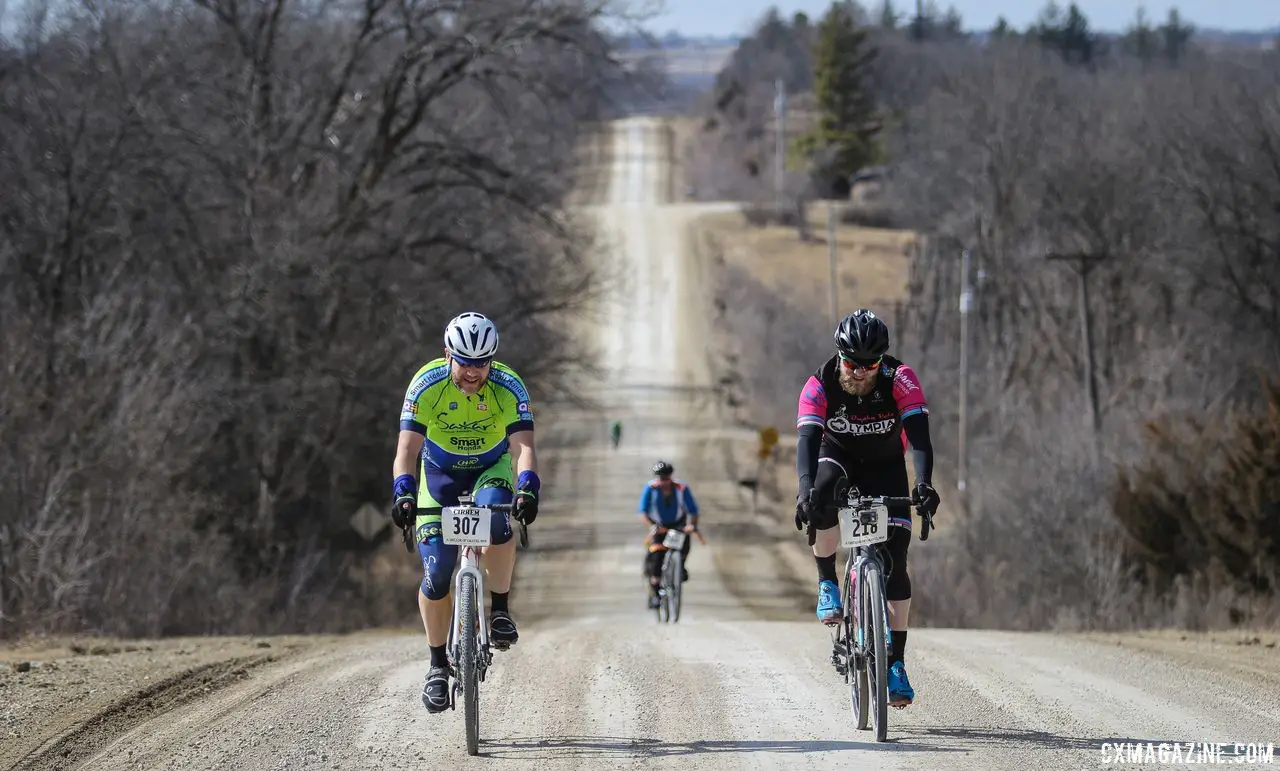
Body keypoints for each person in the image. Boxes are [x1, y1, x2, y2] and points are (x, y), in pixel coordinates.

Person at [390, 311, 541, 714]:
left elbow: (523, 447)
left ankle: (501, 611)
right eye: (465, 362)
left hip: (489, 470)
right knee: (437, 575)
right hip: (438, 478)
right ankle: (438, 666)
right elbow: (407, 450)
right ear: (447, 354)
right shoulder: (427, 385)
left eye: (482, 362)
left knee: (496, 519)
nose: (474, 372)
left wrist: (527, 486)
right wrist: (403, 491)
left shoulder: (508, 386)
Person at [792, 308, 941, 709]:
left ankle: (895, 663)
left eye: (869, 365)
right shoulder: (820, 384)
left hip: (885, 467)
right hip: (836, 456)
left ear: (882, 361)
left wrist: (924, 485)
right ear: (839, 356)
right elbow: (807, 440)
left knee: (896, 558)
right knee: (821, 494)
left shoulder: (901, 380)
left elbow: (921, 440)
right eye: (851, 363)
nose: (859, 372)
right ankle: (828, 581)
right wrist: (804, 491)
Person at [636, 460, 700, 609]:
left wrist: (693, 525)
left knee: (684, 545)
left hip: (677, 525)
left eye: (666, 477)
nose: (663, 481)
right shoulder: (650, 488)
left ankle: (680, 566)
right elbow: (643, 512)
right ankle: (656, 592)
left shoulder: (681, 488)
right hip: (658, 526)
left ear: (671, 476)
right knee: (656, 557)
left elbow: (693, 510)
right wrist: (651, 526)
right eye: (660, 477)